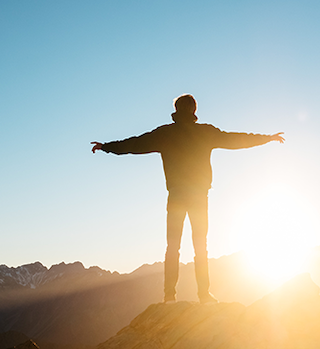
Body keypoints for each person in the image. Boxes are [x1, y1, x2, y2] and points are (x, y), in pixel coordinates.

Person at [91, 94, 284, 304]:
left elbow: (134, 144)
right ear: (194, 110)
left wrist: (106, 146)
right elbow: (237, 139)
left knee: (173, 246)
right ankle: (204, 295)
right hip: (199, 196)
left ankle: (169, 296)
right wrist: (267, 138)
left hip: (176, 195)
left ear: (176, 109)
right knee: (200, 245)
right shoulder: (205, 132)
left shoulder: (165, 133)